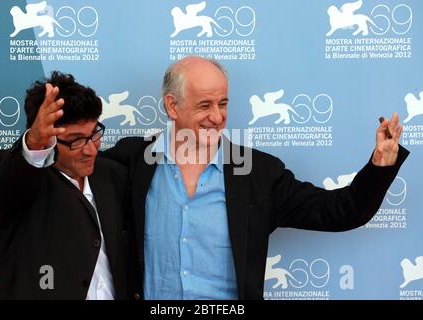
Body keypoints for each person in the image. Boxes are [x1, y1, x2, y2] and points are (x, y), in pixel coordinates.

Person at [104, 56, 409, 300]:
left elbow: (342, 211)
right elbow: (70, 181)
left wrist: (380, 165)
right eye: (204, 105)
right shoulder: (132, 160)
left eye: (222, 104)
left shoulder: (258, 173)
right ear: (172, 105)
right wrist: (53, 141)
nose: (217, 116)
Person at [0, 71, 135, 300]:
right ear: (47, 138)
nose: (91, 149)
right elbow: (9, 190)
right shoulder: (10, 170)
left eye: (94, 134)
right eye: (75, 140)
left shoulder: (112, 174)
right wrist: (34, 143)